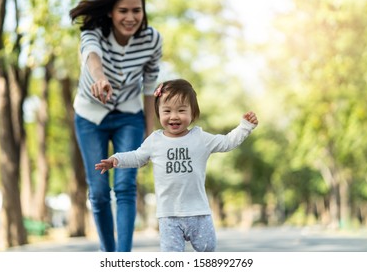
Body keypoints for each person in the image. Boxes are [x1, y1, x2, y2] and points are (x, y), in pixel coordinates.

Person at [95, 79, 258, 252]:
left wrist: (245, 127)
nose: (174, 116)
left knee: (208, 249)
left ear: (193, 113)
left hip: (198, 212)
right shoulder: (155, 141)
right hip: (168, 215)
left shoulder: (200, 139)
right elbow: (137, 157)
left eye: (181, 110)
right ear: (158, 112)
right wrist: (116, 160)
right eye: (167, 111)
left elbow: (227, 142)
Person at [69, 0, 162, 252]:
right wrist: (100, 78)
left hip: (128, 116)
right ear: (111, 11)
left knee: (125, 185)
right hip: (90, 116)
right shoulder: (93, 31)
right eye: (123, 11)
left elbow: (150, 86)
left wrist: (149, 129)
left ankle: (123, 259)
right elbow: (92, 57)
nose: (130, 17)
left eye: (136, 10)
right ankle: (108, 255)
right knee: (98, 191)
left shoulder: (152, 40)